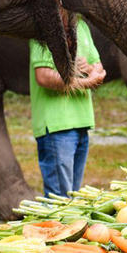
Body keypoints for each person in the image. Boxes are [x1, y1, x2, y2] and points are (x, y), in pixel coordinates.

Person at [29, 17, 105, 197]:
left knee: (72, 198)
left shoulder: (82, 26)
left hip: (82, 123)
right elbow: (43, 75)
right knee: (60, 199)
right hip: (56, 126)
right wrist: (81, 80)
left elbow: (99, 68)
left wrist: (89, 70)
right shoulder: (42, 29)